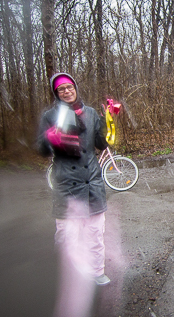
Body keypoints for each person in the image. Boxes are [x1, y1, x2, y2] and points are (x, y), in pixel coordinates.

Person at [37, 72, 111, 286]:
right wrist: (49, 139)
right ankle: (69, 272)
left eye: (70, 87)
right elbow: (42, 150)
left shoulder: (89, 113)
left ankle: (97, 271)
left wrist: (108, 119)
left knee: (95, 233)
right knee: (67, 235)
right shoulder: (50, 116)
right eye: (62, 89)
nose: (67, 91)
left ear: (75, 88)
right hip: (67, 185)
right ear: (56, 93)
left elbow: (101, 143)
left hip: (92, 183)